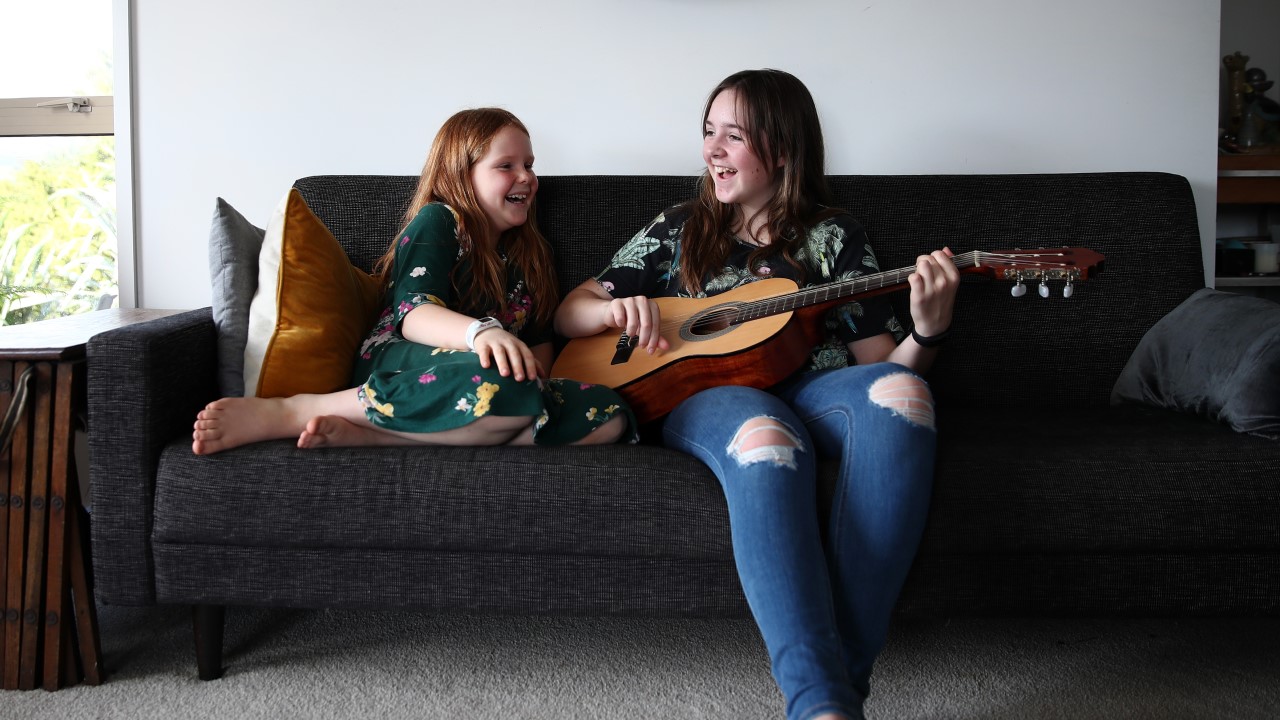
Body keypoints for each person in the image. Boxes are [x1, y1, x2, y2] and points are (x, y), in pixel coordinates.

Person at [554, 70, 960, 720]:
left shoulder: (835, 237)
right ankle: (825, 700)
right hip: (707, 393)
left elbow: (884, 366)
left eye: (732, 136)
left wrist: (929, 330)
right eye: (708, 132)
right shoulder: (679, 226)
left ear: (781, 149)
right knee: (766, 436)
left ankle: (832, 693)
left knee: (905, 396)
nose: (712, 150)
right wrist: (611, 313)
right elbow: (569, 313)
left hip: (821, 389)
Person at [193, 108, 634, 455]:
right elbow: (413, 313)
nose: (527, 178)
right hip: (406, 363)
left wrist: (540, 380)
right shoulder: (441, 221)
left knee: (609, 414)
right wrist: (481, 333)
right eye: (507, 165)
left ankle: (379, 438)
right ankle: (295, 410)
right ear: (462, 174)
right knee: (506, 388)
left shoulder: (530, 255)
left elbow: (538, 343)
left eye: (530, 165)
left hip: (496, 381)